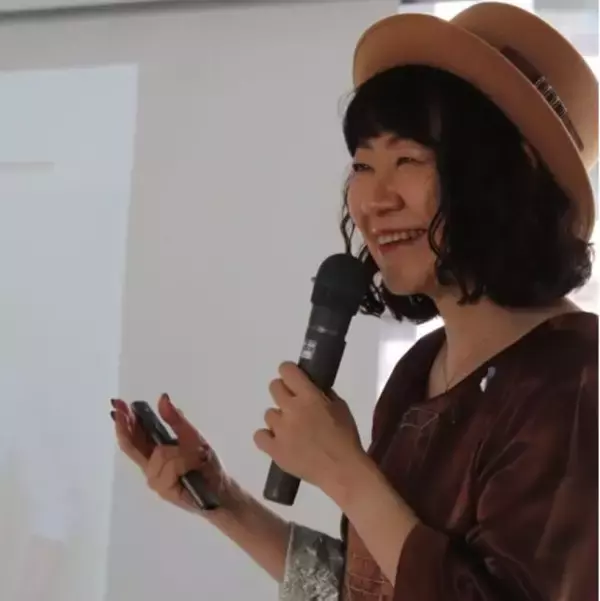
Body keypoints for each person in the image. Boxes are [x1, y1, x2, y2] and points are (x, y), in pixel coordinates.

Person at [110, 3, 598, 600]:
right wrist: (223, 500)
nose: (373, 200)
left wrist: (345, 471)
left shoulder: (575, 380)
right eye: (364, 164)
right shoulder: (420, 370)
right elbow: (372, 585)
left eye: (408, 160)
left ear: (502, 182)